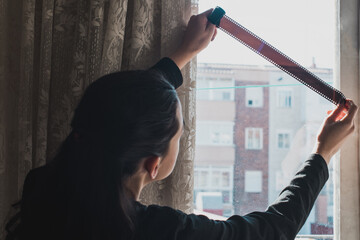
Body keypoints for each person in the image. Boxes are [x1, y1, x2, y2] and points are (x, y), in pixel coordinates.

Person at [6, 9, 358, 240]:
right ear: (154, 165)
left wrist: (180, 56)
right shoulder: (160, 231)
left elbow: (116, 112)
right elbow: (273, 230)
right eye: (180, 132)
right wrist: (322, 153)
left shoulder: (41, 189)